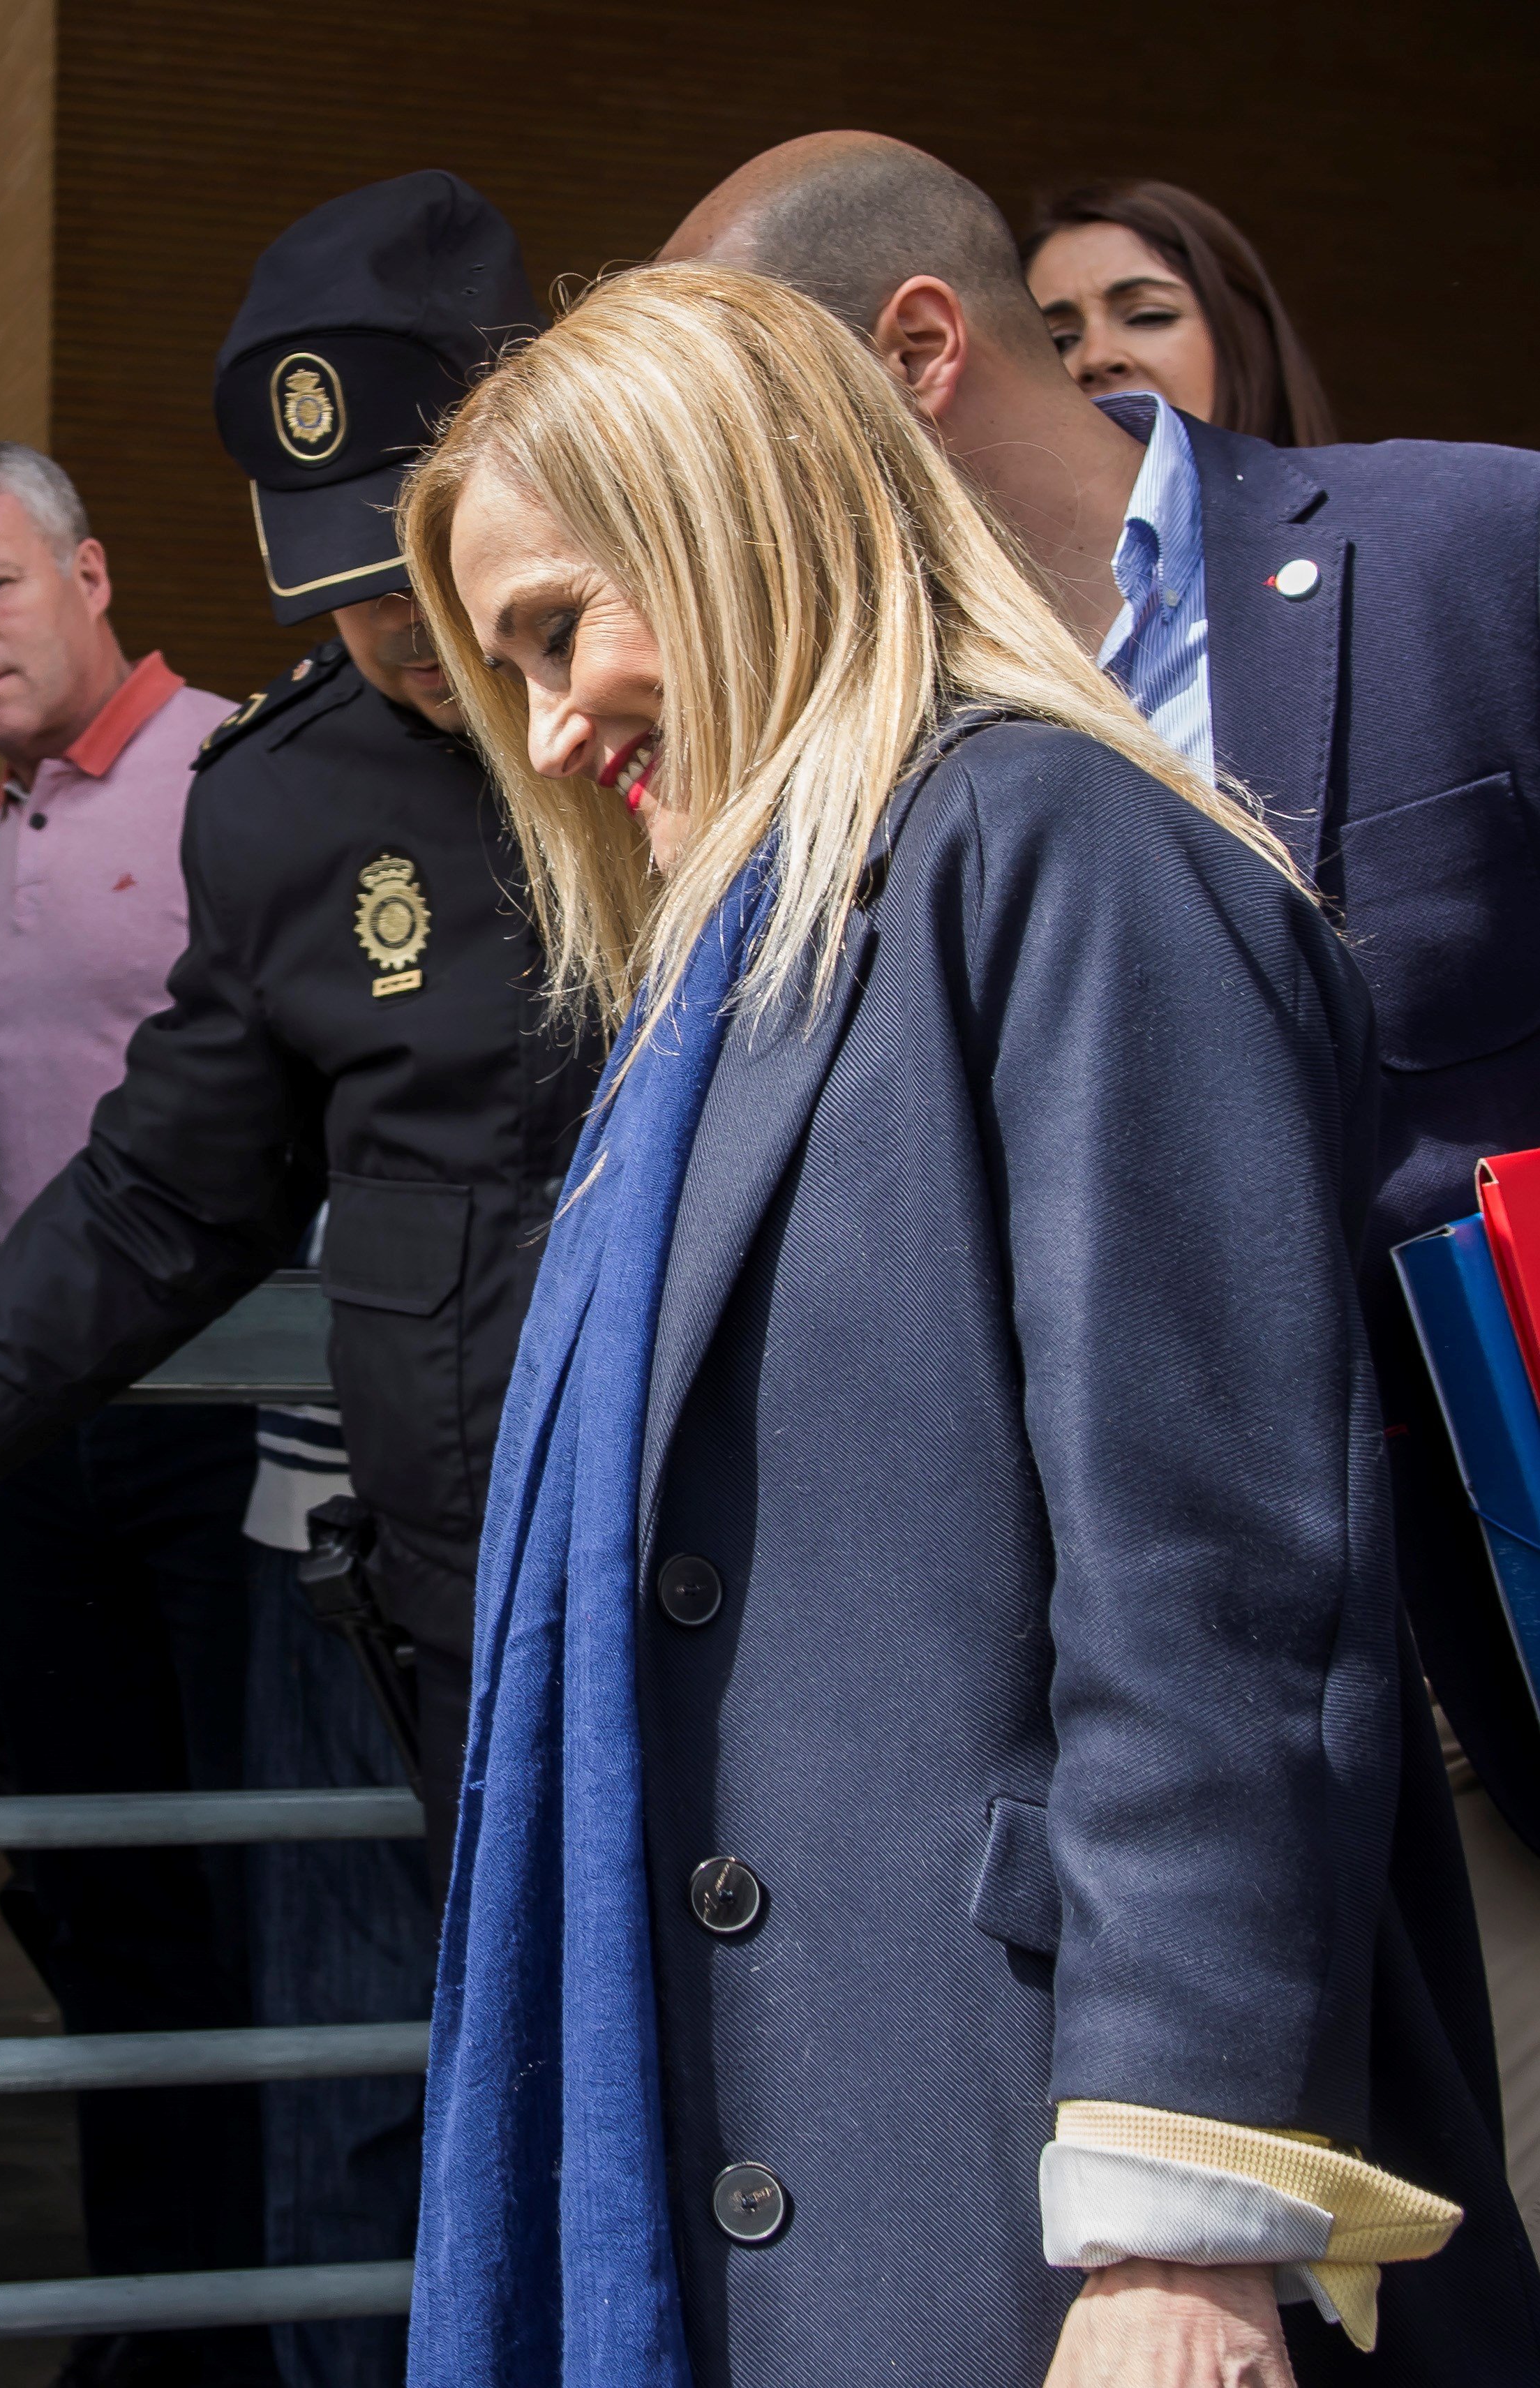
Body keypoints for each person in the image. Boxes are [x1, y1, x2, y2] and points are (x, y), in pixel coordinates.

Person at [396, 254, 1532, 2388]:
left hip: (1013, 2170)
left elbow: (1204, 1583)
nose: (542, 728)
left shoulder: (1063, 850)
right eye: (504, 668)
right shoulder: (733, 962)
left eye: (557, 627)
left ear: (731, 521)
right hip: (805, 2126)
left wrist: (1172, 2233)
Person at [0, 179, 589, 2388]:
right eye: (339, 590)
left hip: (764, 1585)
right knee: (372, 2141)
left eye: (421, 567)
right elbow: (143, 1202)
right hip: (455, 1601)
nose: (400, 635)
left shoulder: (747, 715)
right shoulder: (289, 808)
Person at [666, 127, 1540, 2267]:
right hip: (1129, 1745)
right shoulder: (855, 761)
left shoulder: (1466, 547)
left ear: (915, 348)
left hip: (1480, 1623)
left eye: (755, 418)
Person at [1021, 179, 1337, 445]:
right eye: (1059, 342)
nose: (1096, 358)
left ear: (1246, 339)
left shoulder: (1374, 512)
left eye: (1149, 316)